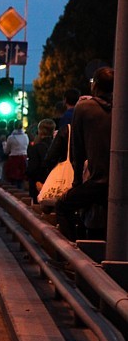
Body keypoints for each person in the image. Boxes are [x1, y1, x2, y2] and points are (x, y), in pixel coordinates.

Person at [55, 67, 113, 241]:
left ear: (94, 85)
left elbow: (77, 150)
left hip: (98, 181)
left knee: (63, 206)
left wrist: (77, 183)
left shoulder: (85, 107)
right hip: (119, 181)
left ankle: (74, 251)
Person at [26, 119, 56, 204]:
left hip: (38, 183)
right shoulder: (55, 145)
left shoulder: (36, 147)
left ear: (39, 130)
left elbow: (32, 168)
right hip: (53, 181)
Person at [3, 120, 29, 188]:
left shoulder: (11, 137)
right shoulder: (26, 136)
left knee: (13, 179)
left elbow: (6, 151)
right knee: (21, 179)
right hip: (24, 158)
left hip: (14, 159)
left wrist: (3, 143)